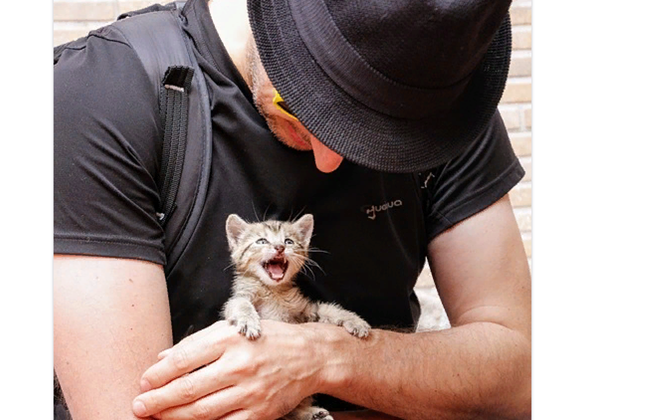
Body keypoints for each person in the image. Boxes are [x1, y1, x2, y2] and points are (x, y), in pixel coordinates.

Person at [53, 0, 531, 419]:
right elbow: (132, 407)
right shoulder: (102, 94)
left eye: (383, 137)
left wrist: (326, 356)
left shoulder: (441, 103)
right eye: (299, 107)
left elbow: (523, 376)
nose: (328, 160)